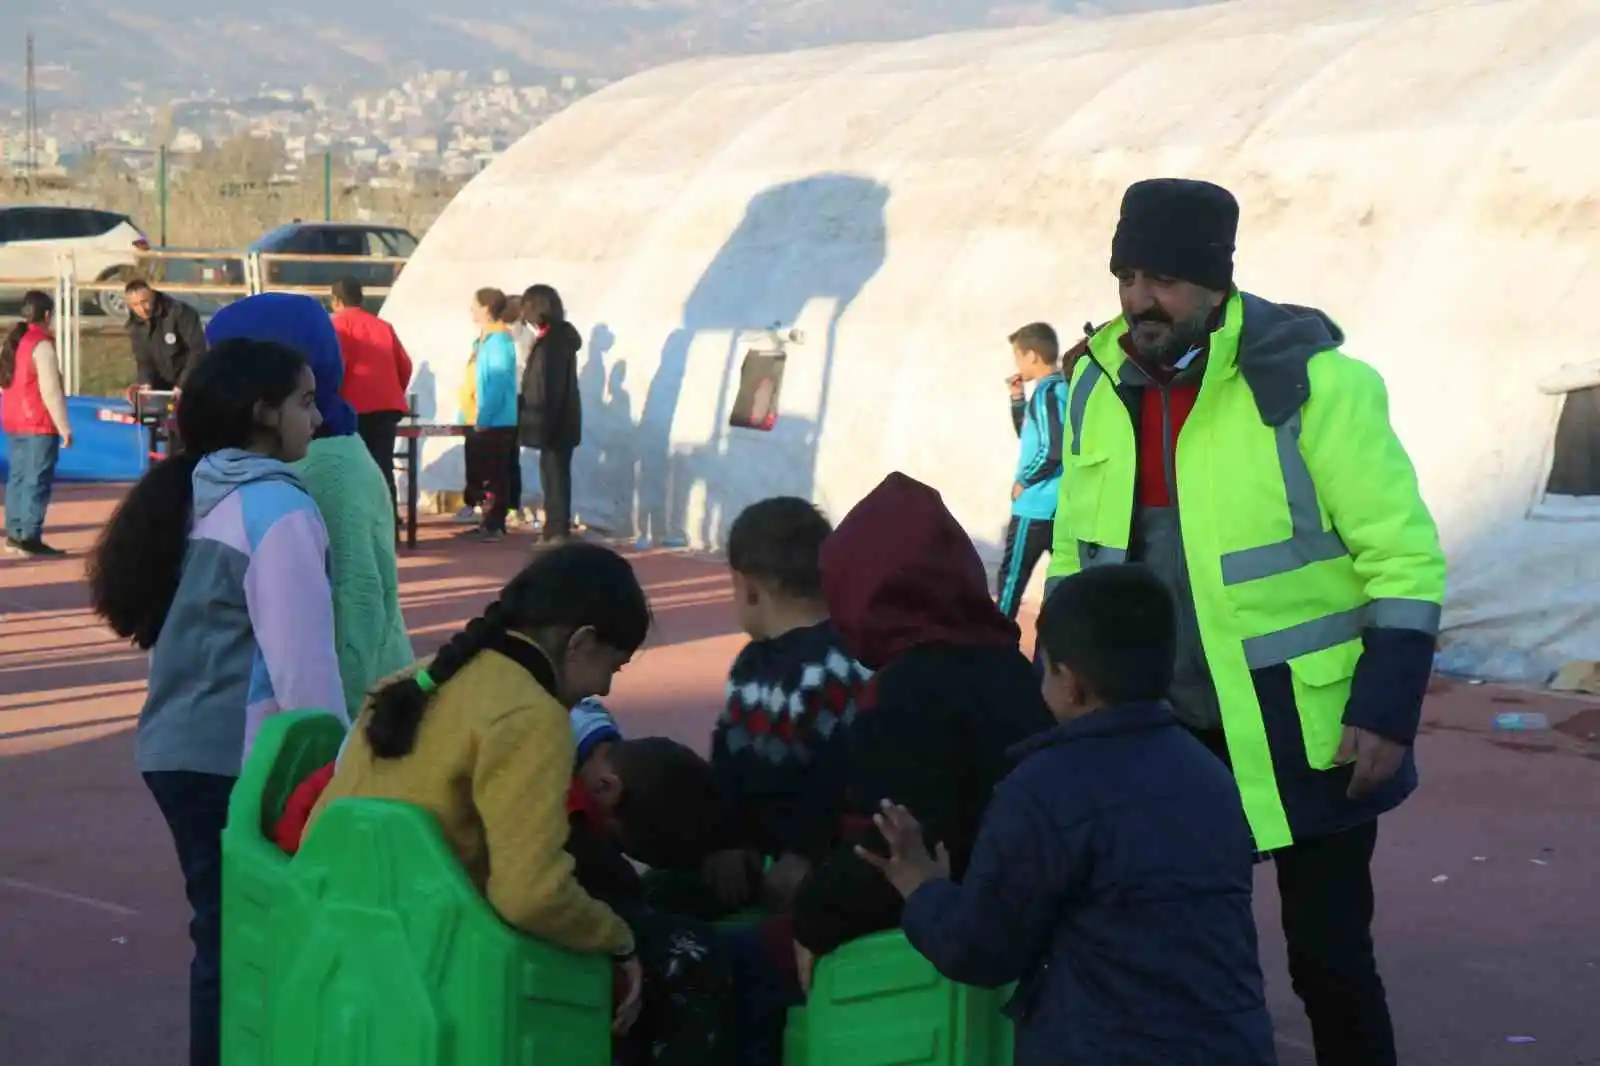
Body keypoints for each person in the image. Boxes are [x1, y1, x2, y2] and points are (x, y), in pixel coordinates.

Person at [1045, 177, 1446, 1066]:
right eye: (1128, 275)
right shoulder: (1093, 388)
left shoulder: (1317, 386)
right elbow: (1076, 557)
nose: (1141, 300)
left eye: (1166, 280)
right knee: (1167, 957)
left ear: (1218, 282)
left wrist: (1384, 707)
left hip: (1305, 730)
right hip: (1158, 732)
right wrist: (1063, 682)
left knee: (1330, 962)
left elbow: (1404, 558)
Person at [860, 564, 1277, 1066]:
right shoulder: (1212, 775)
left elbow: (980, 949)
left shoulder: (1042, 789)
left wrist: (921, 887)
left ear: (1070, 684)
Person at [724, 472, 1054, 1066]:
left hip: (934, 924)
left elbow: (889, 851)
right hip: (1009, 919)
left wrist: (810, 920)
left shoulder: (907, 691)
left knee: (718, 967)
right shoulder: (1006, 665)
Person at [86, 338, 346, 1066]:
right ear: (262, 412)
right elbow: (305, 668)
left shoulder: (201, 489)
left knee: (227, 939)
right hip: (237, 762)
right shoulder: (276, 508)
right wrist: (340, 771)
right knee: (246, 947)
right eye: (303, 401)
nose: (318, 419)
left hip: (181, 751)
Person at [307, 542, 652, 1036]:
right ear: (581, 642)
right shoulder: (533, 717)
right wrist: (619, 939)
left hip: (335, 945)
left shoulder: (415, 679)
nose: (606, 691)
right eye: (612, 668)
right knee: (677, 960)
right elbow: (530, 896)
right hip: (437, 971)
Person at [206, 293, 413, 720]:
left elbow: (353, 611)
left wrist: (342, 745)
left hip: (353, 717)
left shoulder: (325, 469)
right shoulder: (294, 458)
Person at [700, 497, 872, 916]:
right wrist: (728, 842)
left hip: (813, 867)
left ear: (749, 589)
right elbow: (728, 755)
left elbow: (839, 775)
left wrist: (804, 854)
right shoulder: (750, 663)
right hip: (759, 855)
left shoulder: (832, 667)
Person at [564, 706, 734, 1066]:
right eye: (617, 840)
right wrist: (620, 941)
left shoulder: (593, 738)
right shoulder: (560, 802)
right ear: (607, 789)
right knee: (692, 954)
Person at [998, 321, 1068, 620]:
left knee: (1011, 580)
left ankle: (994, 648)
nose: (1016, 364)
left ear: (1032, 357)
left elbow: (1052, 449)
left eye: (1017, 356)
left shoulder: (1046, 393)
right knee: (1065, 583)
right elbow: (1030, 435)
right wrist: (1017, 399)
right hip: (1060, 505)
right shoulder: (1061, 389)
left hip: (1036, 505)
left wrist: (1024, 481)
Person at [330, 277, 413, 508]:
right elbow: (405, 365)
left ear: (335, 301)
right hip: (386, 406)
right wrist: (393, 391)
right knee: (383, 467)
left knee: (353, 469)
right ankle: (390, 524)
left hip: (352, 407)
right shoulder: (383, 326)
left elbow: (335, 367)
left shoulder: (337, 326)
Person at [1, 290, 71, 557]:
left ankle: (15, 533)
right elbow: (50, 391)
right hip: (38, 422)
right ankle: (29, 536)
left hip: (14, 419)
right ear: (47, 315)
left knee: (18, 478)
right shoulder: (41, 345)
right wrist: (64, 427)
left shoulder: (14, 342)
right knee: (37, 480)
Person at [518, 284, 583, 543]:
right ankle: (554, 529)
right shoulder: (554, 338)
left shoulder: (553, 342)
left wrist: (540, 421)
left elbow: (548, 386)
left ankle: (557, 530)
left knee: (555, 477)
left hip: (553, 420)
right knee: (553, 475)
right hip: (557, 419)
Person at [461, 287, 519, 541]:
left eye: (474, 305)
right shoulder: (484, 340)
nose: (471, 310)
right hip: (480, 418)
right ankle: (487, 520)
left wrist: (485, 417)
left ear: (486, 308)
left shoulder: (499, 342)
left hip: (495, 420)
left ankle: (495, 523)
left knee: (496, 473)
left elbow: (496, 382)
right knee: (482, 472)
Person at [503, 295, 536, 528]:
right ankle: (509, 505)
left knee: (507, 453)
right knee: (509, 454)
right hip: (514, 397)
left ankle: (509, 505)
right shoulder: (527, 335)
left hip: (511, 397)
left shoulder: (514, 336)